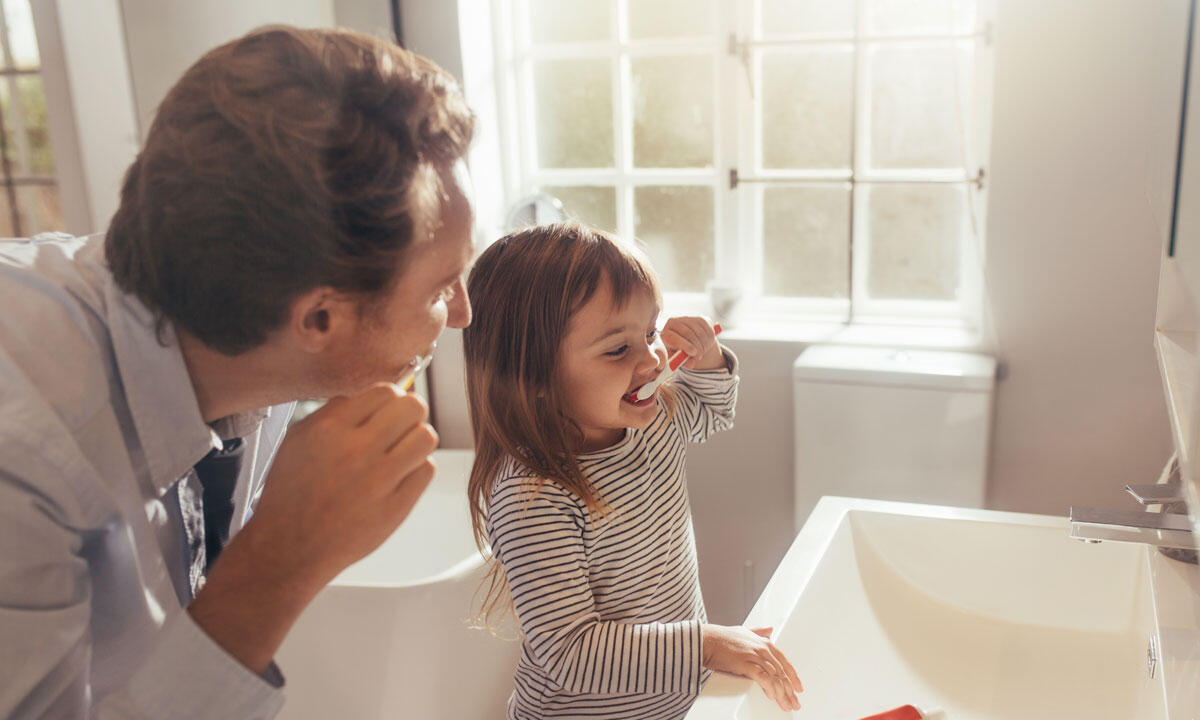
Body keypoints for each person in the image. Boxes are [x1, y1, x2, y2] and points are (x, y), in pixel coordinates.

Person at [0, 26, 475, 718]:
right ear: (317, 320)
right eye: (441, 287)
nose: (461, 314)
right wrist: (281, 560)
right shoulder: (25, 448)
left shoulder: (248, 339)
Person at [462, 222, 804, 719]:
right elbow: (568, 653)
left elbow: (709, 410)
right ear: (533, 375)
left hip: (670, 701)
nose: (652, 359)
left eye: (650, 332)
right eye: (619, 348)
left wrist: (707, 359)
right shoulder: (533, 498)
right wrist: (706, 645)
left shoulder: (653, 420)